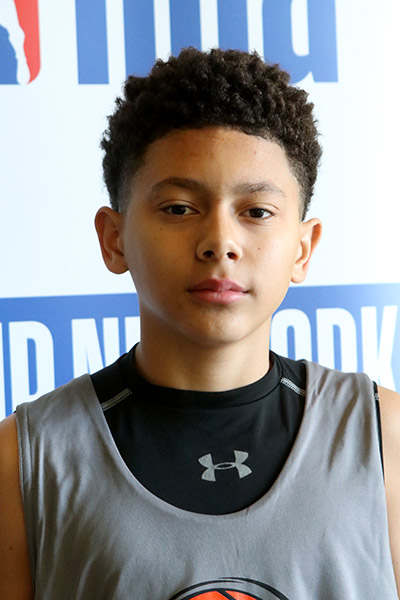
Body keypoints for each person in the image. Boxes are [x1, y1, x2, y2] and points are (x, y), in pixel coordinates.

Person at [0, 47, 399, 599]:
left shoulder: (384, 437)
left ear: (303, 248)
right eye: (179, 208)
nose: (220, 243)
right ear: (114, 239)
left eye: (256, 212)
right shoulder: (24, 461)